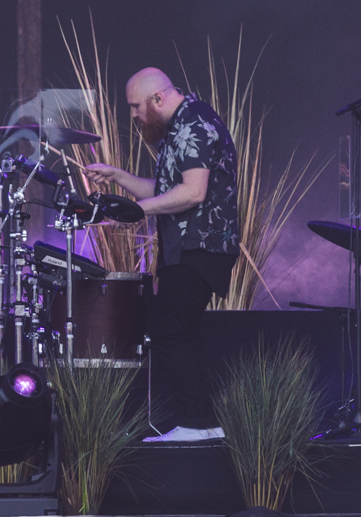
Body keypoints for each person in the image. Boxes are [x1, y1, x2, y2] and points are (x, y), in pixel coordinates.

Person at [85, 67, 239, 444]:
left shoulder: (193, 123)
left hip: (201, 245)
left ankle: (199, 423)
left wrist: (140, 211)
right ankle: (203, 422)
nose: (134, 115)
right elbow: (166, 187)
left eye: (136, 106)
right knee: (179, 330)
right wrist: (119, 176)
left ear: (158, 99)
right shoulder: (177, 129)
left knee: (168, 327)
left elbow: (193, 193)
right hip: (184, 247)